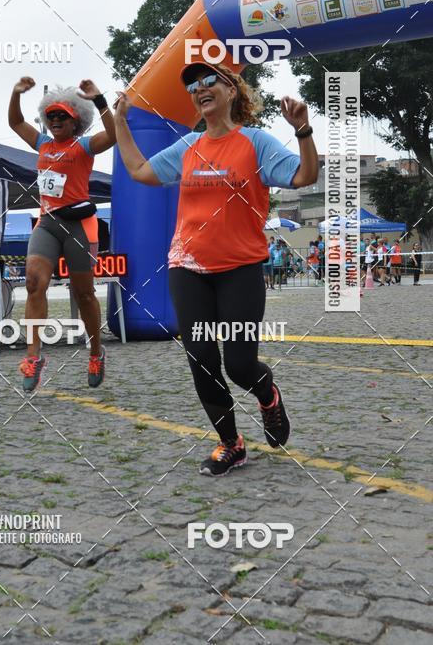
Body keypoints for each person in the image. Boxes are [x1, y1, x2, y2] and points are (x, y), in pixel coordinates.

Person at [114, 62, 319, 476]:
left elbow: (305, 175)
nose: (200, 88)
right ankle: (231, 443)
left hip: (240, 268)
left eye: (210, 81)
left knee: (240, 364)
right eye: (193, 85)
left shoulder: (255, 142)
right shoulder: (188, 147)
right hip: (187, 267)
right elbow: (138, 170)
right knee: (202, 358)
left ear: (232, 91)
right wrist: (120, 122)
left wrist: (303, 131)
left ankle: (268, 396)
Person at [9, 76, 116, 391]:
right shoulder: (42, 143)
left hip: (79, 225)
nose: (55, 120)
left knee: (83, 293)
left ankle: (96, 351)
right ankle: (34, 358)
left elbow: (113, 133)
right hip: (48, 222)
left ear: (76, 121)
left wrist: (99, 100)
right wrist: (15, 94)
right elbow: (15, 122)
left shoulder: (83, 146)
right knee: (33, 282)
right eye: (50, 116)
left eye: (62, 116)